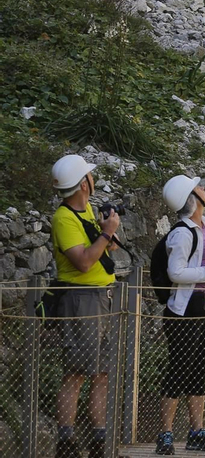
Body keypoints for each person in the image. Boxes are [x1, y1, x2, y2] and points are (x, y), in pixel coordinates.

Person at [48, 154, 122, 458]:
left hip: (101, 296)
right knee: (76, 372)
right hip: (81, 299)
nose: (94, 179)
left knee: (101, 373)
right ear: (83, 183)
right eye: (90, 176)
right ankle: (66, 441)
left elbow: (106, 248)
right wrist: (106, 232)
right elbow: (82, 262)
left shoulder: (88, 210)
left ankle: (98, 440)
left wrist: (108, 232)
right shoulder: (63, 218)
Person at [156, 176, 205, 456]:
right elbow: (176, 273)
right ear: (192, 198)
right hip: (187, 308)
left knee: (198, 367)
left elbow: (203, 262)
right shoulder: (183, 233)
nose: (204, 189)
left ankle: (196, 431)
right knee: (180, 367)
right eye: (199, 188)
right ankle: (165, 433)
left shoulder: (204, 225)